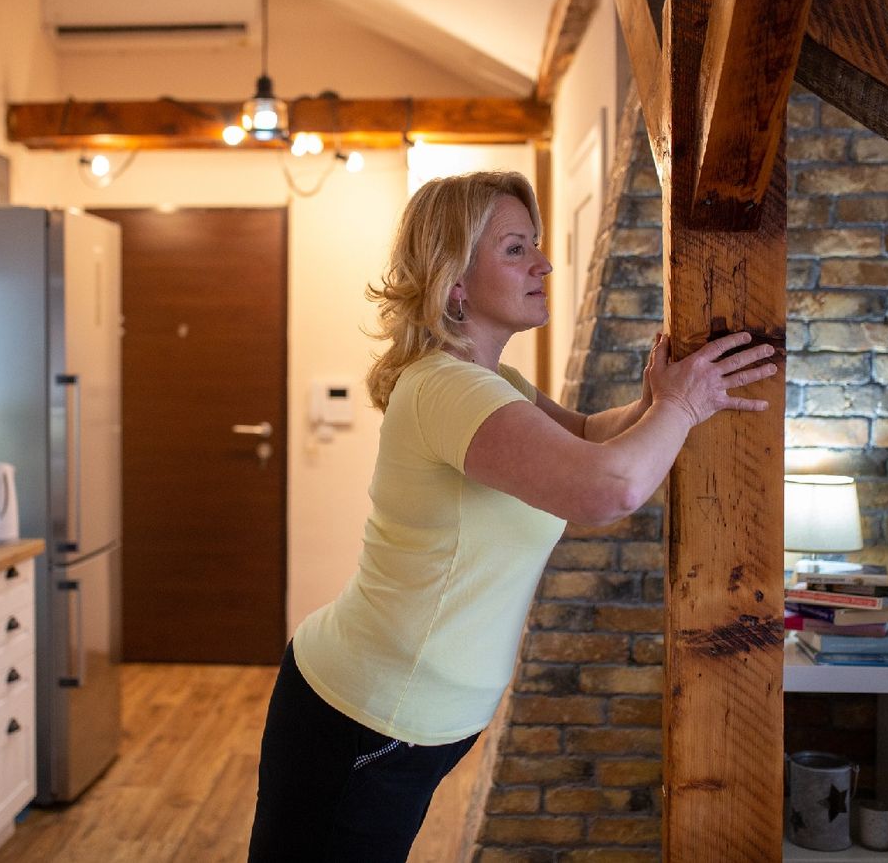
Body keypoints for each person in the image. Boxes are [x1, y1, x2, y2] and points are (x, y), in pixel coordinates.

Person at [247, 170, 777, 861]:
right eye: (515, 248)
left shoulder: (490, 382)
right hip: (360, 715)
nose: (543, 263)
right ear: (455, 281)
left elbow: (587, 436)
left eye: (536, 246)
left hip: (398, 718)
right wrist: (683, 406)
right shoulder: (447, 389)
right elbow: (606, 489)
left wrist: (655, 401)